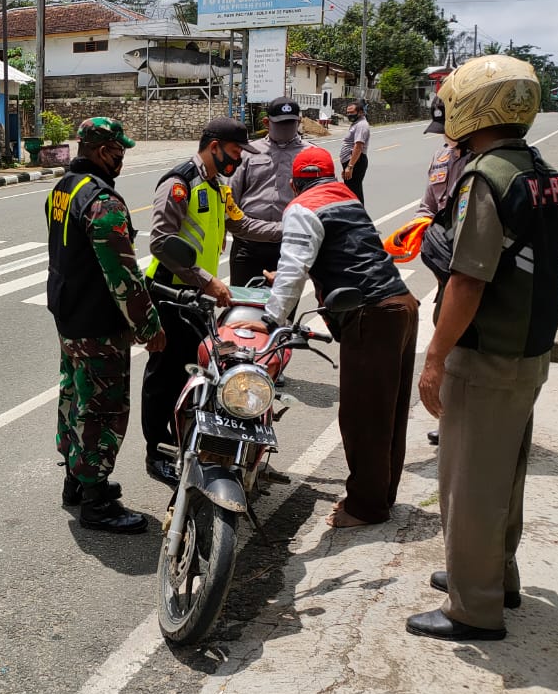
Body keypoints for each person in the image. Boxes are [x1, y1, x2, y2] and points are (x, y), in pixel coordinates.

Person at [407, 56, 558, 642]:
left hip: (486, 352)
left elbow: (469, 280)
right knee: (506, 471)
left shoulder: (486, 177)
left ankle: (472, 607)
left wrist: (434, 358)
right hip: (529, 349)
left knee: (470, 482)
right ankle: (492, 576)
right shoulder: (544, 173)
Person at [230, 147, 418, 528]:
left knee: (362, 416)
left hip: (370, 313)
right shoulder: (347, 198)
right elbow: (344, 252)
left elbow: (294, 265)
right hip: (401, 305)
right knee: (389, 412)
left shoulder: (302, 206)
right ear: (331, 175)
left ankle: (365, 509)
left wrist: (270, 318)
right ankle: (380, 496)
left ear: (295, 182)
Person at [140, 118, 282, 486]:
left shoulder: (218, 187)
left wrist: (291, 227)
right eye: (235, 153)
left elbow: (243, 225)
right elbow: (160, 241)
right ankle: (157, 450)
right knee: (164, 374)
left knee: (197, 372)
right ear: (214, 146)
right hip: (170, 293)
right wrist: (207, 281)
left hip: (197, 297)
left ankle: (186, 442)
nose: (238, 160)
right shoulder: (179, 184)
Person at [45, 116, 165, 533]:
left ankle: (75, 482)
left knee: (73, 399)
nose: (122, 159)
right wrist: (149, 327)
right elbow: (124, 277)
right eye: (119, 151)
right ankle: (96, 502)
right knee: (102, 408)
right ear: (100, 151)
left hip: (69, 316)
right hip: (97, 323)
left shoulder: (63, 189)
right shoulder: (102, 201)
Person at [383, 93, 472, 446]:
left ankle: (469, 417)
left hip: (470, 265)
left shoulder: (483, 163)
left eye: (449, 129)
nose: (445, 138)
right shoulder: (441, 158)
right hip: (442, 266)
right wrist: (417, 228)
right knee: (446, 334)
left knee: (467, 343)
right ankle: (449, 414)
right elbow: (428, 204)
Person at [228, 96, 312, 288]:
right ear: (267, 123)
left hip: (290, 246)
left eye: (291, 124)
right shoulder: (249, 152)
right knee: (242, 307)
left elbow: (321, 202)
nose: (286, 129)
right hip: (248, 244)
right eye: (280, 124)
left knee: (282, 313)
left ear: (299, 121)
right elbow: (230, 198)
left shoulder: (311, 155)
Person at [339, 99, 371, 203]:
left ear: (361, 112)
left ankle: (359, 216)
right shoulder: (356, 123)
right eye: (347, 112)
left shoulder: (361, 125)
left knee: (354, 193)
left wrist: (350, 166)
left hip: (356, 162)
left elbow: (358, 146)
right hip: (352, 162)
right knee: (351, 191)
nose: (349, 114)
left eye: (352, 112)